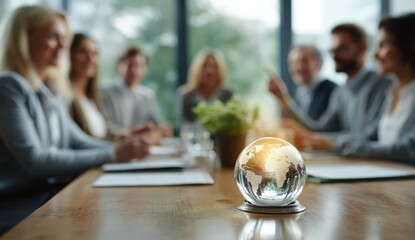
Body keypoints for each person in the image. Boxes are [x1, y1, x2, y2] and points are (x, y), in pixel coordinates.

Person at [0, 6, 149, 234]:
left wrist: (124, 145)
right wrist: (113, 153)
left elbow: (77, 140)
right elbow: (35, 160)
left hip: (50, 202)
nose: (62, 46)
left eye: (64, 38)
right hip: (21, 211)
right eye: (52, 37)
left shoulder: (49, 89)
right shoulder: (9, 86)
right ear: (22, 38)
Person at [302, 13, 415, 165]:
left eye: (383, 46)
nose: (375, 54)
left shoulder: (383, 86)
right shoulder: (393, 92)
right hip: (387, 176)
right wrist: (333, 143)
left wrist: (339, 145)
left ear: (406, 46)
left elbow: (408, 149)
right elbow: (370, 135)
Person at [269, 23, 392, 136]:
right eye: (332, 51)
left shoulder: (384, 84)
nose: (334, 56)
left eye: (341, 49)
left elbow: (372, 136)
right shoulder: (341, 92)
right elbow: (319, 131)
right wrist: (283, 100)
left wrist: (333, 142)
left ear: (362, 47)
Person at [68, 33, 161, 143]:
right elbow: (83, 142)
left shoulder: (91, 97)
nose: (90, 58)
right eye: (83, 52)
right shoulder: (67, 98)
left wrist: (133, 135)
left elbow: (105, 134)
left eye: (95, 54)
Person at [100, 47, 171, 136]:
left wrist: (163, 129)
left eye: (139, 66)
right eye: (130, 65)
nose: (134, 71)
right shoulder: (104, 93)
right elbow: (106, 127)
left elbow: (159, 123)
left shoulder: (147, 95)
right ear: (119, 66)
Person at [270, 45, 337, 120]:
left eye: (303, 61)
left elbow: (315, 128)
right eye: (293, 63)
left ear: (318, 63)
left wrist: (284, 100)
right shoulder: (301, 91)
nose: (298, 67)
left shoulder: (333, 91)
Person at [177, 50, 233, 124]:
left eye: (214, 66)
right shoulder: (186, 95)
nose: (210, 71)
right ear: (197, 69)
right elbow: (184, 125)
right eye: (205, 66)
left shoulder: (228, 95)